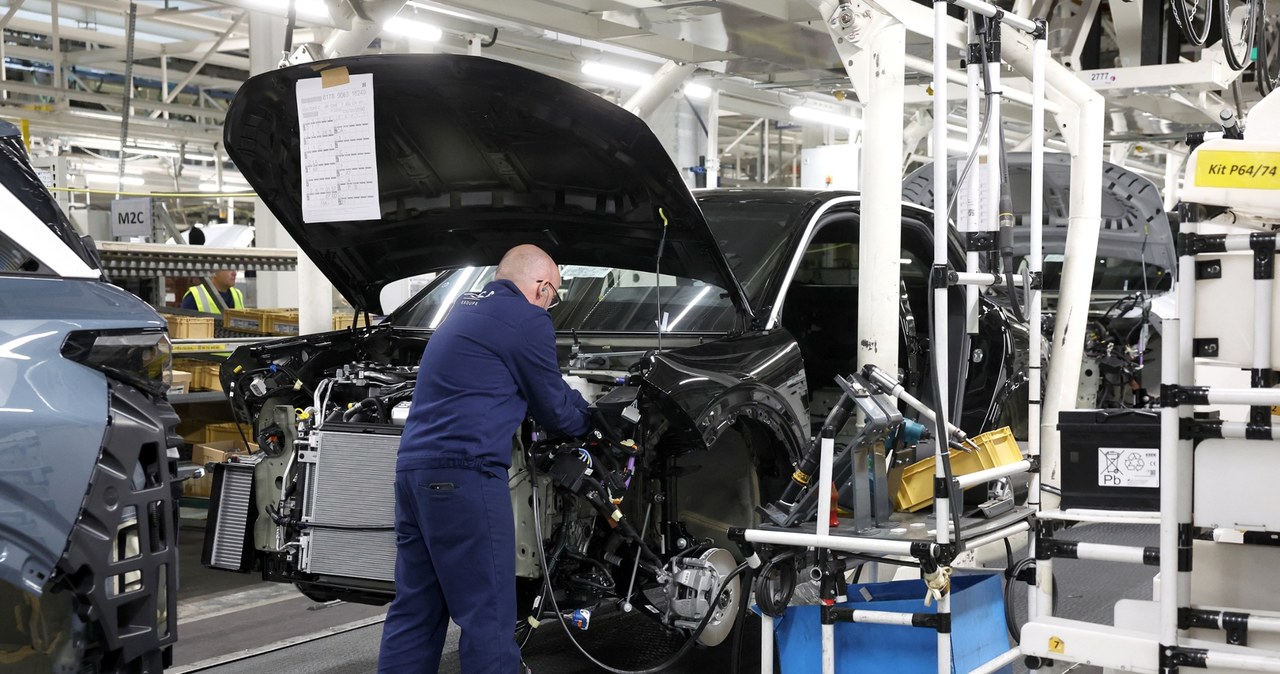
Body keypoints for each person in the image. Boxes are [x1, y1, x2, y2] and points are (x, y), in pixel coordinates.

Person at [379, 244, 590, 674]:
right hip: (465, 475)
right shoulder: (528, 319)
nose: (551, 303)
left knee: (417, 609)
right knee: (488, 615)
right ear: (541, 287)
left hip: (414, 472)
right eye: (554, 294)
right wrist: (596, 420)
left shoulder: (464, 307)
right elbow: (555, 408)